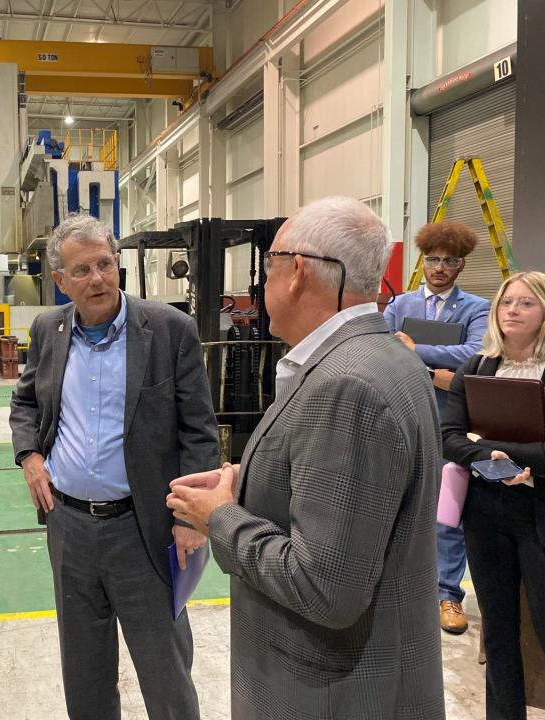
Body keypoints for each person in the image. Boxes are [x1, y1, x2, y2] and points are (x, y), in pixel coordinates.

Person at [167, 197, 446, 719]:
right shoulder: (389, 357)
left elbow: (325, 587)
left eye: (268, 267)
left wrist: (221, 517)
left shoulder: (345, 385)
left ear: (296, 272)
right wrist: (247, 482)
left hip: (329, 693)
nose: (261, 285)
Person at [9, 213, 219, 720]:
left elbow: (199, 431)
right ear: (59, 282)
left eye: (104, 264)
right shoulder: (48, 330)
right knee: (83, 671)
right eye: (81, 271)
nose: (97, 279)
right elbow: (25, 403)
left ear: (118, 264)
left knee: (164, 669)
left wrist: (190, 519)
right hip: (70, 528)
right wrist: (30, 456)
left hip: (142, 528)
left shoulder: (169, 330)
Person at [441, 270, 545, 720]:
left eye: (525, 303)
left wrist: (514, 459)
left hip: (540, 509)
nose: (512, 312)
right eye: (506, 302)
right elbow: (448, 435)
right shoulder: (478, 366)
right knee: (498, 631)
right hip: (487, 511)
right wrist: (492, 461)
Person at [384, 221, 489, 634]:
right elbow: (382, 343)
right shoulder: (401, 305)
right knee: (397, 499)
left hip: (450, 421)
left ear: (461, 265)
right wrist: (435, 369)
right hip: (403, 413)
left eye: (449, 261)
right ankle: (397, 585)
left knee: (449, 509)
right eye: (433, 259)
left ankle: (447, 593)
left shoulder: (477, 308)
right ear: (423, 260)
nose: (440, 267)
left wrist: (413, 352)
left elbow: (473, 354)